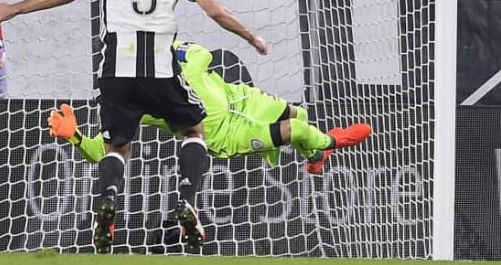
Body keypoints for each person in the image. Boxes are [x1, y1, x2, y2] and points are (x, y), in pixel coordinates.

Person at [0, 0, 268, 254]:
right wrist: (251, 36)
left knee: (116, 147)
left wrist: (14, 8)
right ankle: (186, 201)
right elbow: (215, 11)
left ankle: (107, 203)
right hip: (161, 70)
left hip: (115, 70)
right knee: (194, 130)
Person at [48, 40, 372, 174]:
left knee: (298, 114)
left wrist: (171, 50)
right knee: (298, 129)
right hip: (226, 135)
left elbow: (201, 54)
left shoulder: (174, 56)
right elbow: (106, 151)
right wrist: (74, 135)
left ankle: (315, 157)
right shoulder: (133, 101)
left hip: (241, 98)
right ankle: (333, 142)